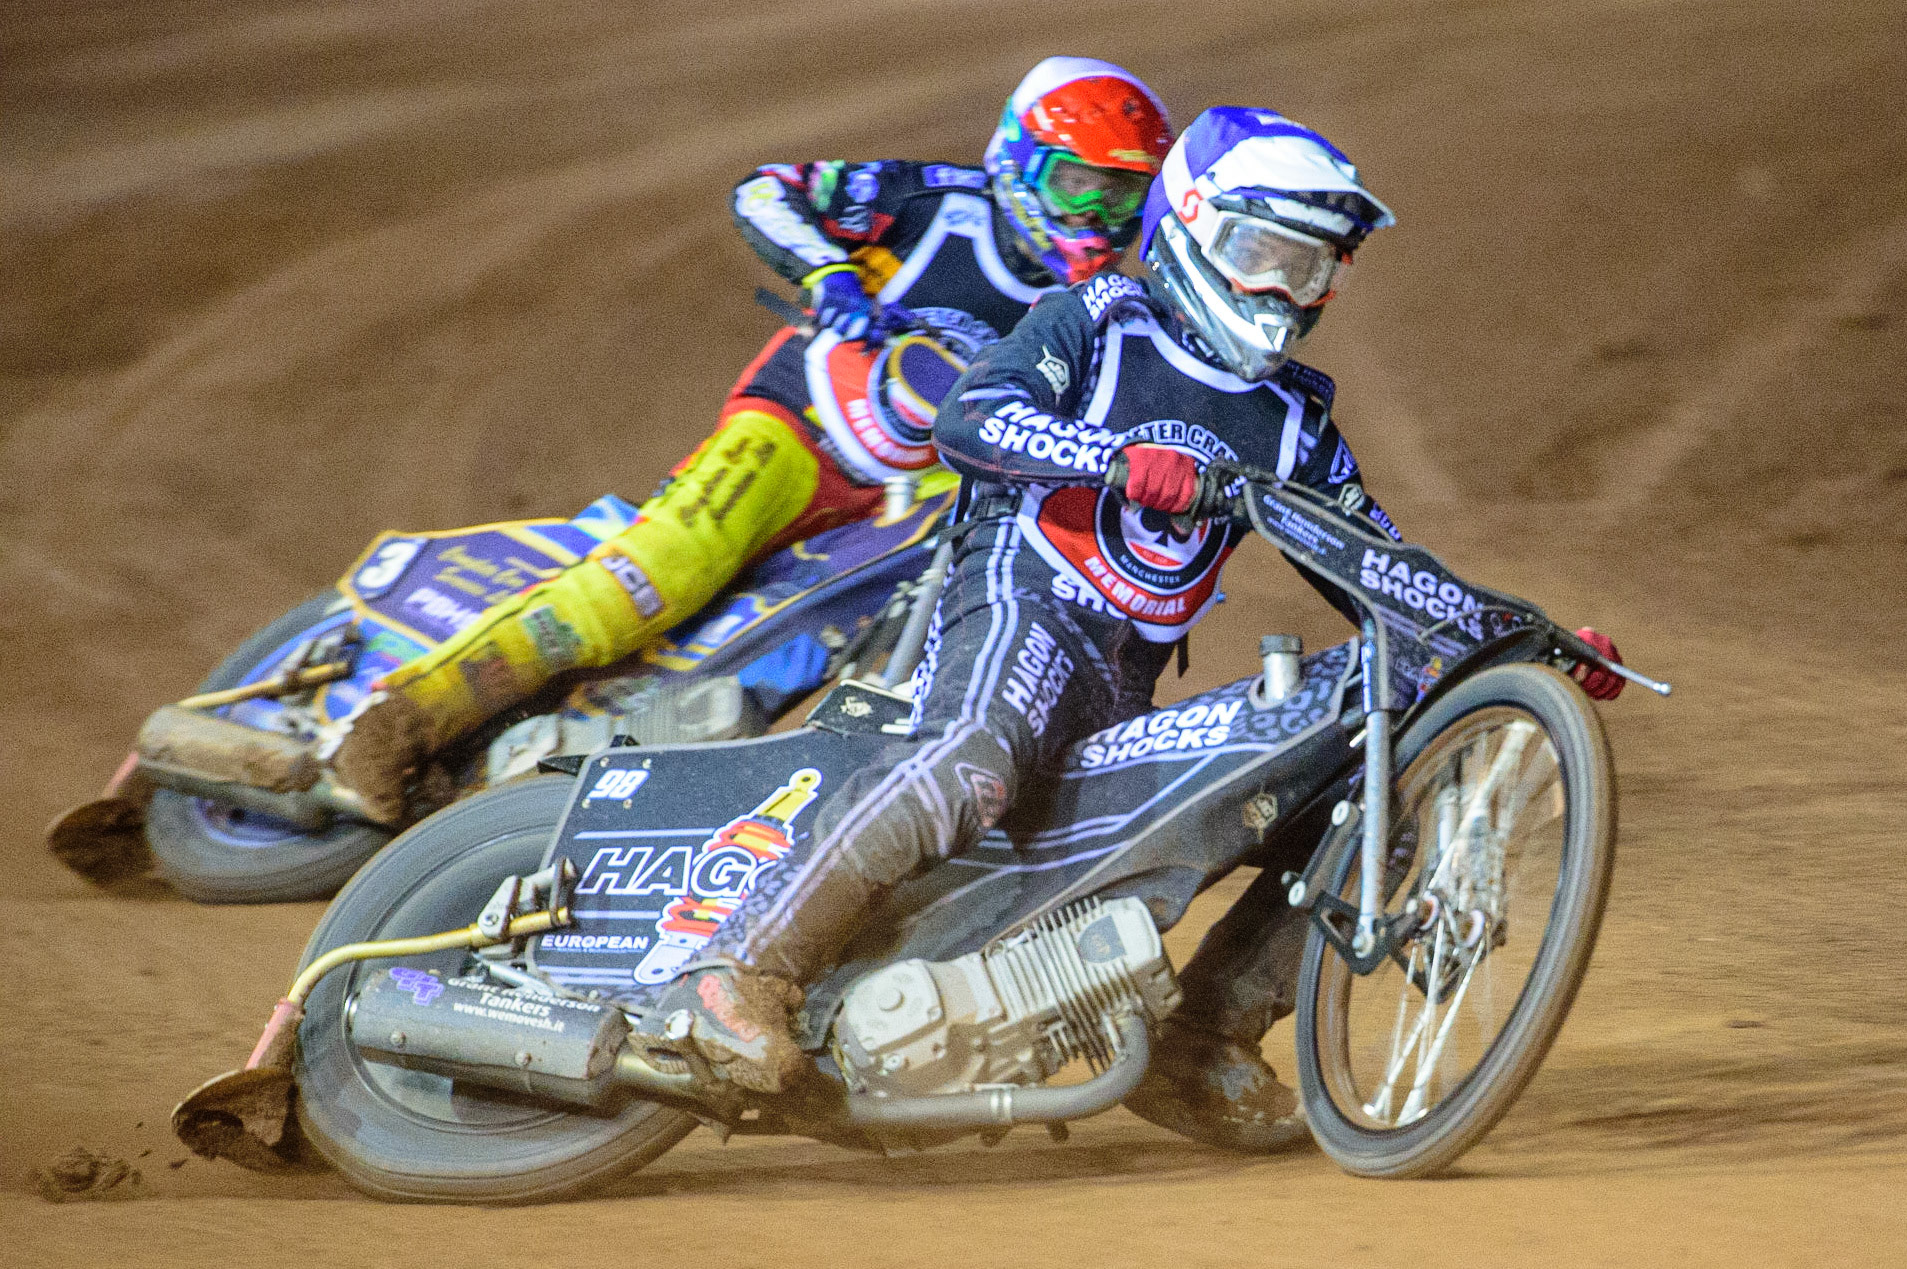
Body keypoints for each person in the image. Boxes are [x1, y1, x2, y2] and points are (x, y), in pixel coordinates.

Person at [651, 106, 1626, 1151]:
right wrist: (1110, 461)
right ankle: (736, 969)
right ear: (1194, 229)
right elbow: (971, 420)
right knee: (974, 760)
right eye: (1262, 258)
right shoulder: (1098, 318)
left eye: (1311, 272)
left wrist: (1522, 640)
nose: (1283, 295)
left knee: (1369, 766)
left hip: (1118, 687)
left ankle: (1200, 1040)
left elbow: (1380, 570)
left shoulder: (1294, 420)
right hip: (1016, 615)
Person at [326, 58, 1175, 824]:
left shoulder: (1107, 312)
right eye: (1078, 188)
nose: (1098, 218)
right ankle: (401, 719)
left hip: (925, 496)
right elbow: (765, 190)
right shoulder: (932, 203)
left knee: (874, 643)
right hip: (800, 427)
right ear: (1020, 159)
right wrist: (829, 269)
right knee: (659, 571)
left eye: (1123, 197)